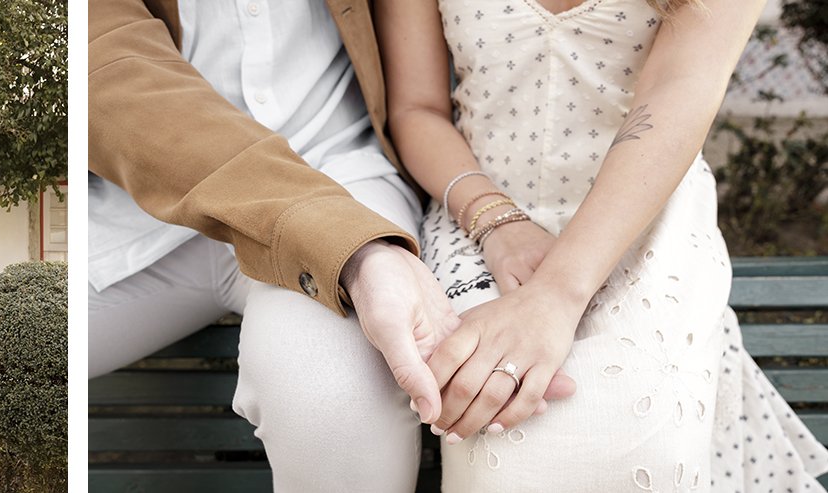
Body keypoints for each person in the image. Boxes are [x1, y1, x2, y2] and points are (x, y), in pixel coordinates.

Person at [89, 0, 574, 489]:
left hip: (341, 168)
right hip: (138, 204)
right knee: (14, 348)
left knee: (334, 398)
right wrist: (353, 249)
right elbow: (109, 69)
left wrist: (359, 248)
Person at [377, 0, 828, 489]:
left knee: (641, 439)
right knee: (499, 440)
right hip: (474, 206)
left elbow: (680, 87)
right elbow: (415, 108)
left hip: (642, 209)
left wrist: (555, 292)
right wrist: (496, 220)